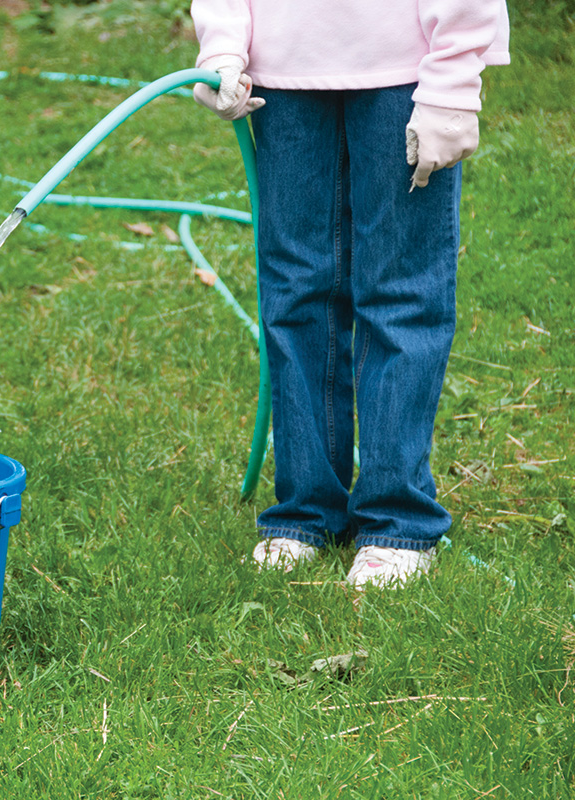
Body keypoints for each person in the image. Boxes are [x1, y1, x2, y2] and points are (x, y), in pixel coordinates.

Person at [189, 1, 510, 588]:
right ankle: (305, 512)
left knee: (401, 292)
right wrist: (224, 46)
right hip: (282, 80)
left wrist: (454, 80)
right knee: (296, 292)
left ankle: (398, 521)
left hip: (408, 74)